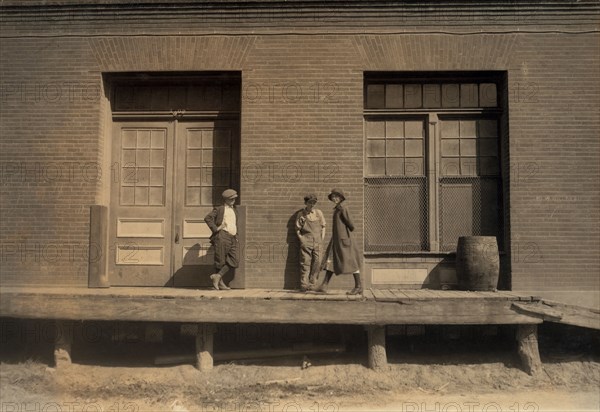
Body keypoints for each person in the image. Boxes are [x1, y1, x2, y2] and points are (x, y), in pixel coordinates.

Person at [317, 188, 363, 295]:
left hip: (344, 241)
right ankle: (324, 285)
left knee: (351, 262)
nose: (334, 198)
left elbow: (351, 225)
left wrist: (343, 235)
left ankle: (358, 286)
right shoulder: (337, 209)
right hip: (336, 241)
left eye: (336, 196)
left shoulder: (342, 208)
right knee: (330, 261)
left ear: (341, 197)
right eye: (333, 197)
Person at [204, 189, 239, 290]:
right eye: (231, 199)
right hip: (222, 236)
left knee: (235, 261)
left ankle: (217, 276)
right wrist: (216, 228)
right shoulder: (220, 209)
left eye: (234, 199)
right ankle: (220, 283)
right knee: (220, 260)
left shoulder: (234, 210)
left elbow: (234, 224)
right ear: (226, 199)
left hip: (232, 237)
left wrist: (236, 236)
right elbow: (208, 218)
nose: (233, 201)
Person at [295, 194, 326, 292]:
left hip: (318, 242)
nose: (312, 204)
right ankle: (304, 284)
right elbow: (297, 229)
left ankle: (313, 284)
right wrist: (302, 239)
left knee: (318, 262)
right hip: (306, 241)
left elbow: (323, 226)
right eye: (310, 202)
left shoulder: (318, 213)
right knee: (305, 262)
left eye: (313, 202)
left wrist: (322, 238)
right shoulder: (301, 214)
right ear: (305, 203)